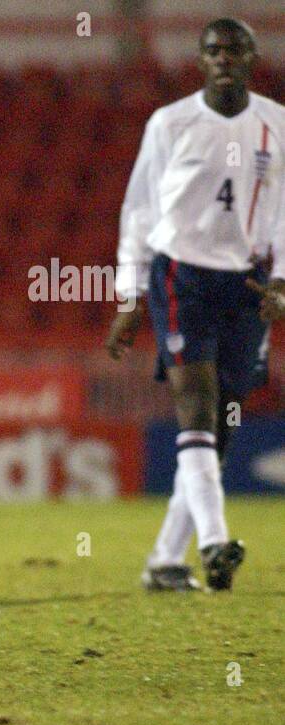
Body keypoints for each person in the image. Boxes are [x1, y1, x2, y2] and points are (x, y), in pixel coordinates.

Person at [107, 17, 285, 592]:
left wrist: (282, 280)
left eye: (234, 50)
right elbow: (138, 210)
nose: (223, 58)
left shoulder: (277, 126)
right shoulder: (171, 123)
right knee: (197, 408)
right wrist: (131, 295)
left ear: (253, 57)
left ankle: (164, 560)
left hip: (247, 286)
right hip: (182, 277)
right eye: (213, 50)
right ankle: (214, 545)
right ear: (201, 60)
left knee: (218, 432)